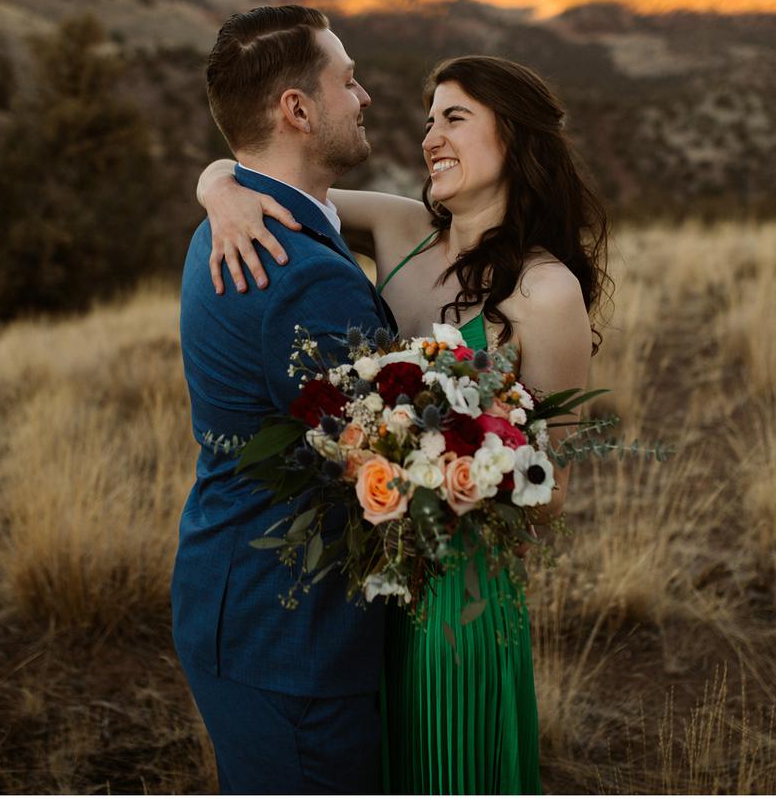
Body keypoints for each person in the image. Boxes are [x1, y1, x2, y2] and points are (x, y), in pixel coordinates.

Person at [195, 53, 611, 793]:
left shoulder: (548, 292)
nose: (430, 137)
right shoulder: (399, 227)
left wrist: (445, 472)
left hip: (462, 597)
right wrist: (217, 188)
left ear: (513, 137)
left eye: (454, 118)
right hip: (363, 596)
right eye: (427, 122)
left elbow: (552, 488)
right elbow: (277, 180)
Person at [173, 5, 398, 794]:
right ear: (296, 110)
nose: (364, 96)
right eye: (347, 80)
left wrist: (216, 179)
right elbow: (388, 459)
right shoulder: (297, 271)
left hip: (234, 591)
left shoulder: (232, 222)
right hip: (292, 635)